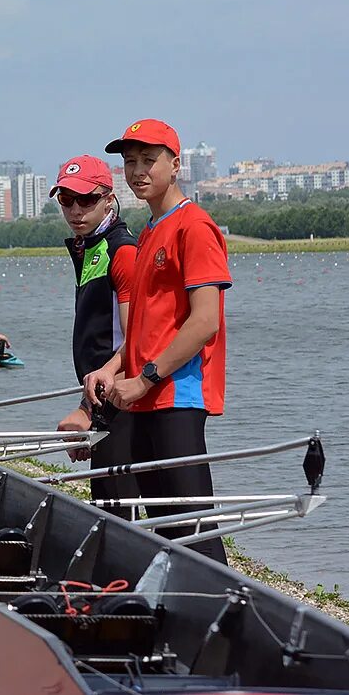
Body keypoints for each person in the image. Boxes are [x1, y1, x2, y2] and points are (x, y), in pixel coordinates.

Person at [83, 119, 231, 565]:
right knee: (162, 531)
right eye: (130, 162)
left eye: (149, 160)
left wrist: (145, 378)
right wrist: (110, 370)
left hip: (177, 397)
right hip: (145, 400)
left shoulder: (194, 227)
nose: (138, 171)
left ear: (176, 164)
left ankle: (229, 623)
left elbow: (205, 322)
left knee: (193, 530)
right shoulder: (147, 233)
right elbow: (145, 331)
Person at [50, 154, 141, 515]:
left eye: (86, 199)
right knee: (105, 508)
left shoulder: (122, 250)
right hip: (102, 400)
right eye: (66, 200)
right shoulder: (88, 247)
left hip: (122, 402)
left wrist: (88, 409)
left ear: (108, 197)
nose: (75, 209)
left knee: (120, 513)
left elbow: (135, 340)